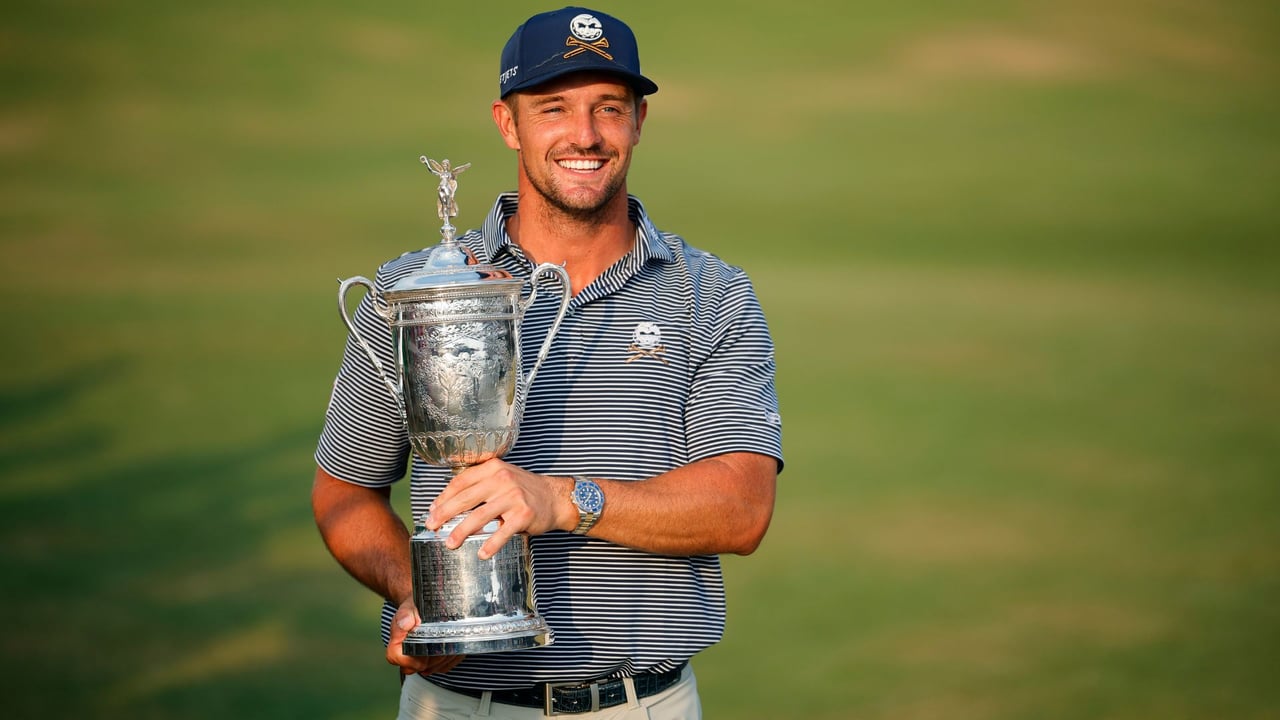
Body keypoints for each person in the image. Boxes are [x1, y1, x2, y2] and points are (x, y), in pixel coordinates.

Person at [313, 7, 783, 718]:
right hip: (459, 704)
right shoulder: (418, 295)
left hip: (641, 706)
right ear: (509, 124)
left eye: (608, 109)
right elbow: (343, 494)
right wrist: (417, 590)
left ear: (639, 122)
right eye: (554, 108)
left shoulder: (711, 294)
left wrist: (563, 500)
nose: (585, 135)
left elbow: (743, 508)